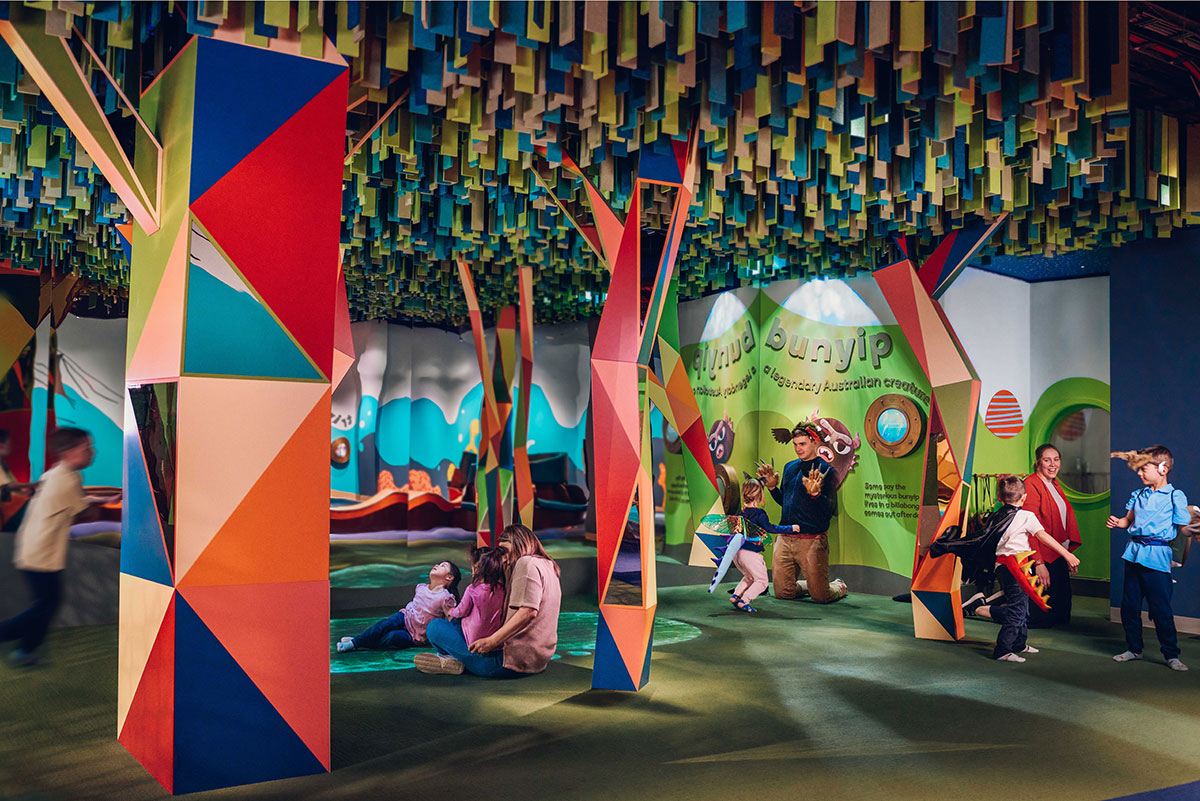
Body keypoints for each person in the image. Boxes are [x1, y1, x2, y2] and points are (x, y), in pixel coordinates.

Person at [0, 428, 118, 666]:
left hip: (32, 548)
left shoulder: (54, 474)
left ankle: (26, 651)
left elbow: (76, 500)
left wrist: (104, 499)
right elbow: (84, 513)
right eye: (86, 448)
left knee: (46, 603)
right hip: (42, 553)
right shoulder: (69, 479)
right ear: (69, 452)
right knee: (46, 604)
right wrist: (111, 508)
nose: (91, 452)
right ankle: (15, 643)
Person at [417, 524, 561, 677]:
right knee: (456, 625)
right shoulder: (548, 565)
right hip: (538, 660)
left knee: (435, 627)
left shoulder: (526, 563)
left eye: (504, 551)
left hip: (506, 663)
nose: (503, 559)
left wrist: (492, 641)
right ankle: (454, 659)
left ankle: (452, 660)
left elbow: (528, 612)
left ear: (518, 543)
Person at [972, 475, 1080, 663]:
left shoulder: (996, 516)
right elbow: (1042, 536)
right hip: (1016, 568)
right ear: (1024, 498)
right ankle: (1002, 649)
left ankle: (1019, 644)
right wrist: (1067, 554)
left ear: (999, 498)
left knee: (1023, 605)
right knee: (1017, 609)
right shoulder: (1026, 516)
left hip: (1003, 568)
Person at [1107, 445, 1191, 671]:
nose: (1139, 473)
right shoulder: (1139, 494)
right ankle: (1134, 649)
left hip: (1157, 557)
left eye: (1144, 468)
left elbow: (1183, 528)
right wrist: (1118, 522)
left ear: (1163, 468)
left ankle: (1171, 655)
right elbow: (1129, 521)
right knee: (1129, 606)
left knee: (1160, 609)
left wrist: (1192, 530)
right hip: (1133, 554)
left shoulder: (1175, 495)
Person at [758, 421, 847, 603]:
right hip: (786, 536)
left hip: (812, 539)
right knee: (782, 592)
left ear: (815, 442)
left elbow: (830, 511)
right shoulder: (790, 467)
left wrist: (815, 495)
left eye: (802, 444)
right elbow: (785, 502)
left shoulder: (828, 470)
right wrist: (773, 488)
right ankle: (811, 585)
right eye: (795, 444)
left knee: (821, 597)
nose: (798, 449)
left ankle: (838, 586)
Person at [337, 560, 462, 652]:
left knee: (392, 637)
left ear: (449, 577)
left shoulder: (445, 598)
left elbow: (452, 618)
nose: (437, 565)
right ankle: (355, 642)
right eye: (438, 564)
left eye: (442, 566)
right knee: (385, 624)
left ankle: (360, 641)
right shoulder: (421, 587)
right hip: (405, 616)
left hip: (415, 636)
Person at [1022, 445, 1082, 627]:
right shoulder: (1031, 484)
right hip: (1041, 555)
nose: (1052, 464)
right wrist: (1038, 564)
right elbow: (1030, 528)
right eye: (1047, 460)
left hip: (1057, 553)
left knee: (1062, 615)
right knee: (1035, 618)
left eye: (1056, 459)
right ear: (1038, 462)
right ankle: (984, 608)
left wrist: (1066, 554)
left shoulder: (1054, 484)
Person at [728, 478, 801, 612]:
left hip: (737, 554)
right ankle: (744, 600)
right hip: (750, 554)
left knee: (750, 577)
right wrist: (791, 528)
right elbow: (771, 528)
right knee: (762, 581)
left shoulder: (741, 513)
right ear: (760, 495)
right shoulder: (760, 514)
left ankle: (736, 595)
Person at [447, 546, 506, 646]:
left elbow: (461, 611)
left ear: (476, 568)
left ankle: (450, 654)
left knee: (448, 622)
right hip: (493, 638)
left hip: (472, 638)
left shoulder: (472, 589)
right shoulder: (502, 589)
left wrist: (451, 611)